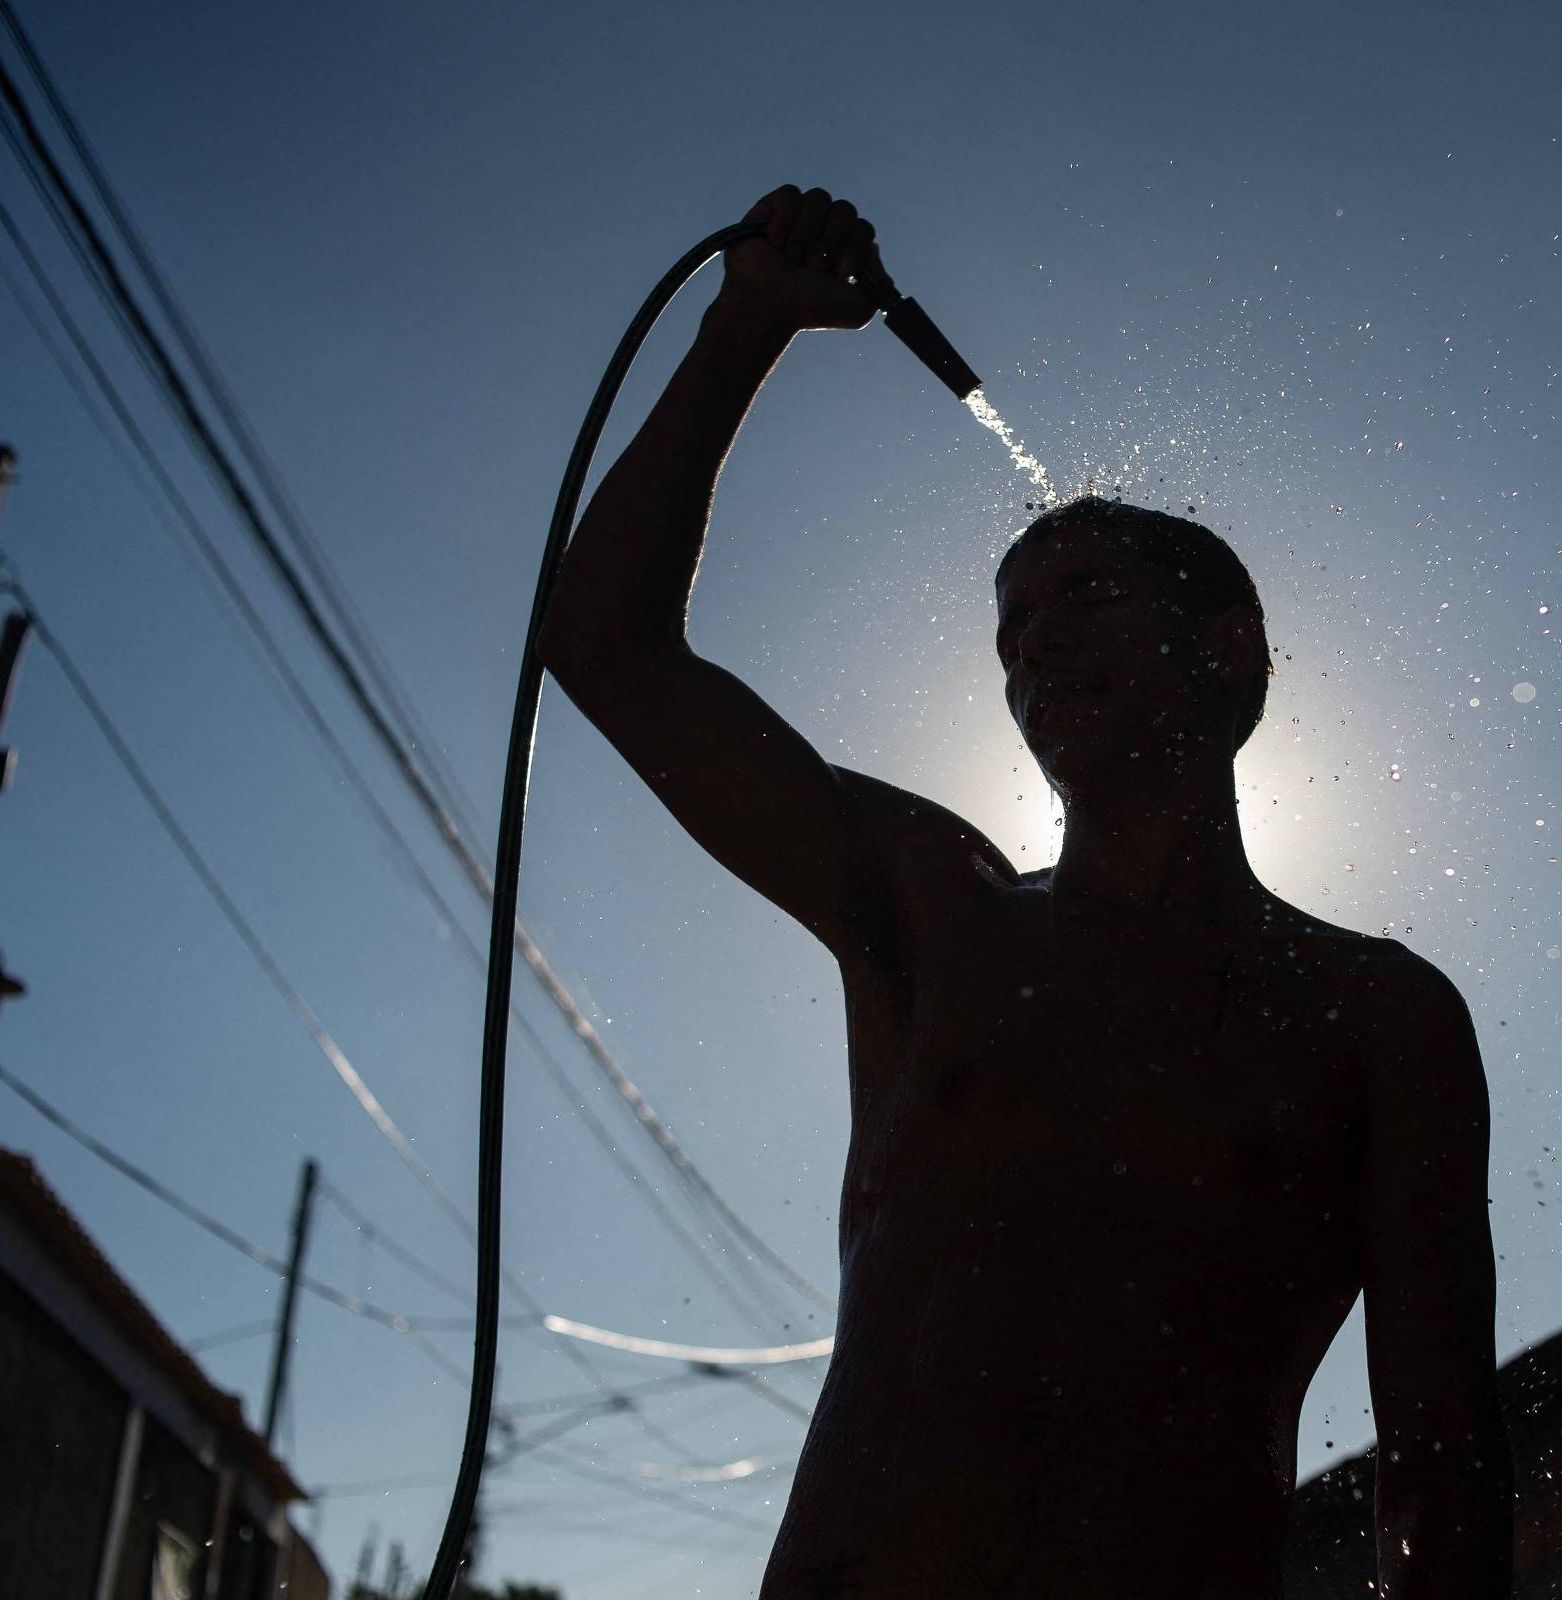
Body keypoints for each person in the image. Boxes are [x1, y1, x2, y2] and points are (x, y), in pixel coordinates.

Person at [538, 184, 1512, 1598]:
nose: (1039, 649)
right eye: (1012, 634)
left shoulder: (1376, 1019)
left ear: (1231, 650)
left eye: (1091, 601)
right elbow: (604, 646)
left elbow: (1442, 1461)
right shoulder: (934, 913)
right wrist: (745, 325)